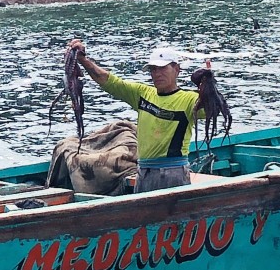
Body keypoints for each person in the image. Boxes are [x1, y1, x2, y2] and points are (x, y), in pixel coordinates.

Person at [67, 40, 203, 193]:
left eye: (162, 68)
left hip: (173, 171)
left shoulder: (189, 100)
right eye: (153, 69)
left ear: (176, 69)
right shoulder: (142, 94)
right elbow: (109, 81)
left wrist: (208, 85)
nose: (157, 74)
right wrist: (83, 60)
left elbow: (211, 110)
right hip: (144, 171)